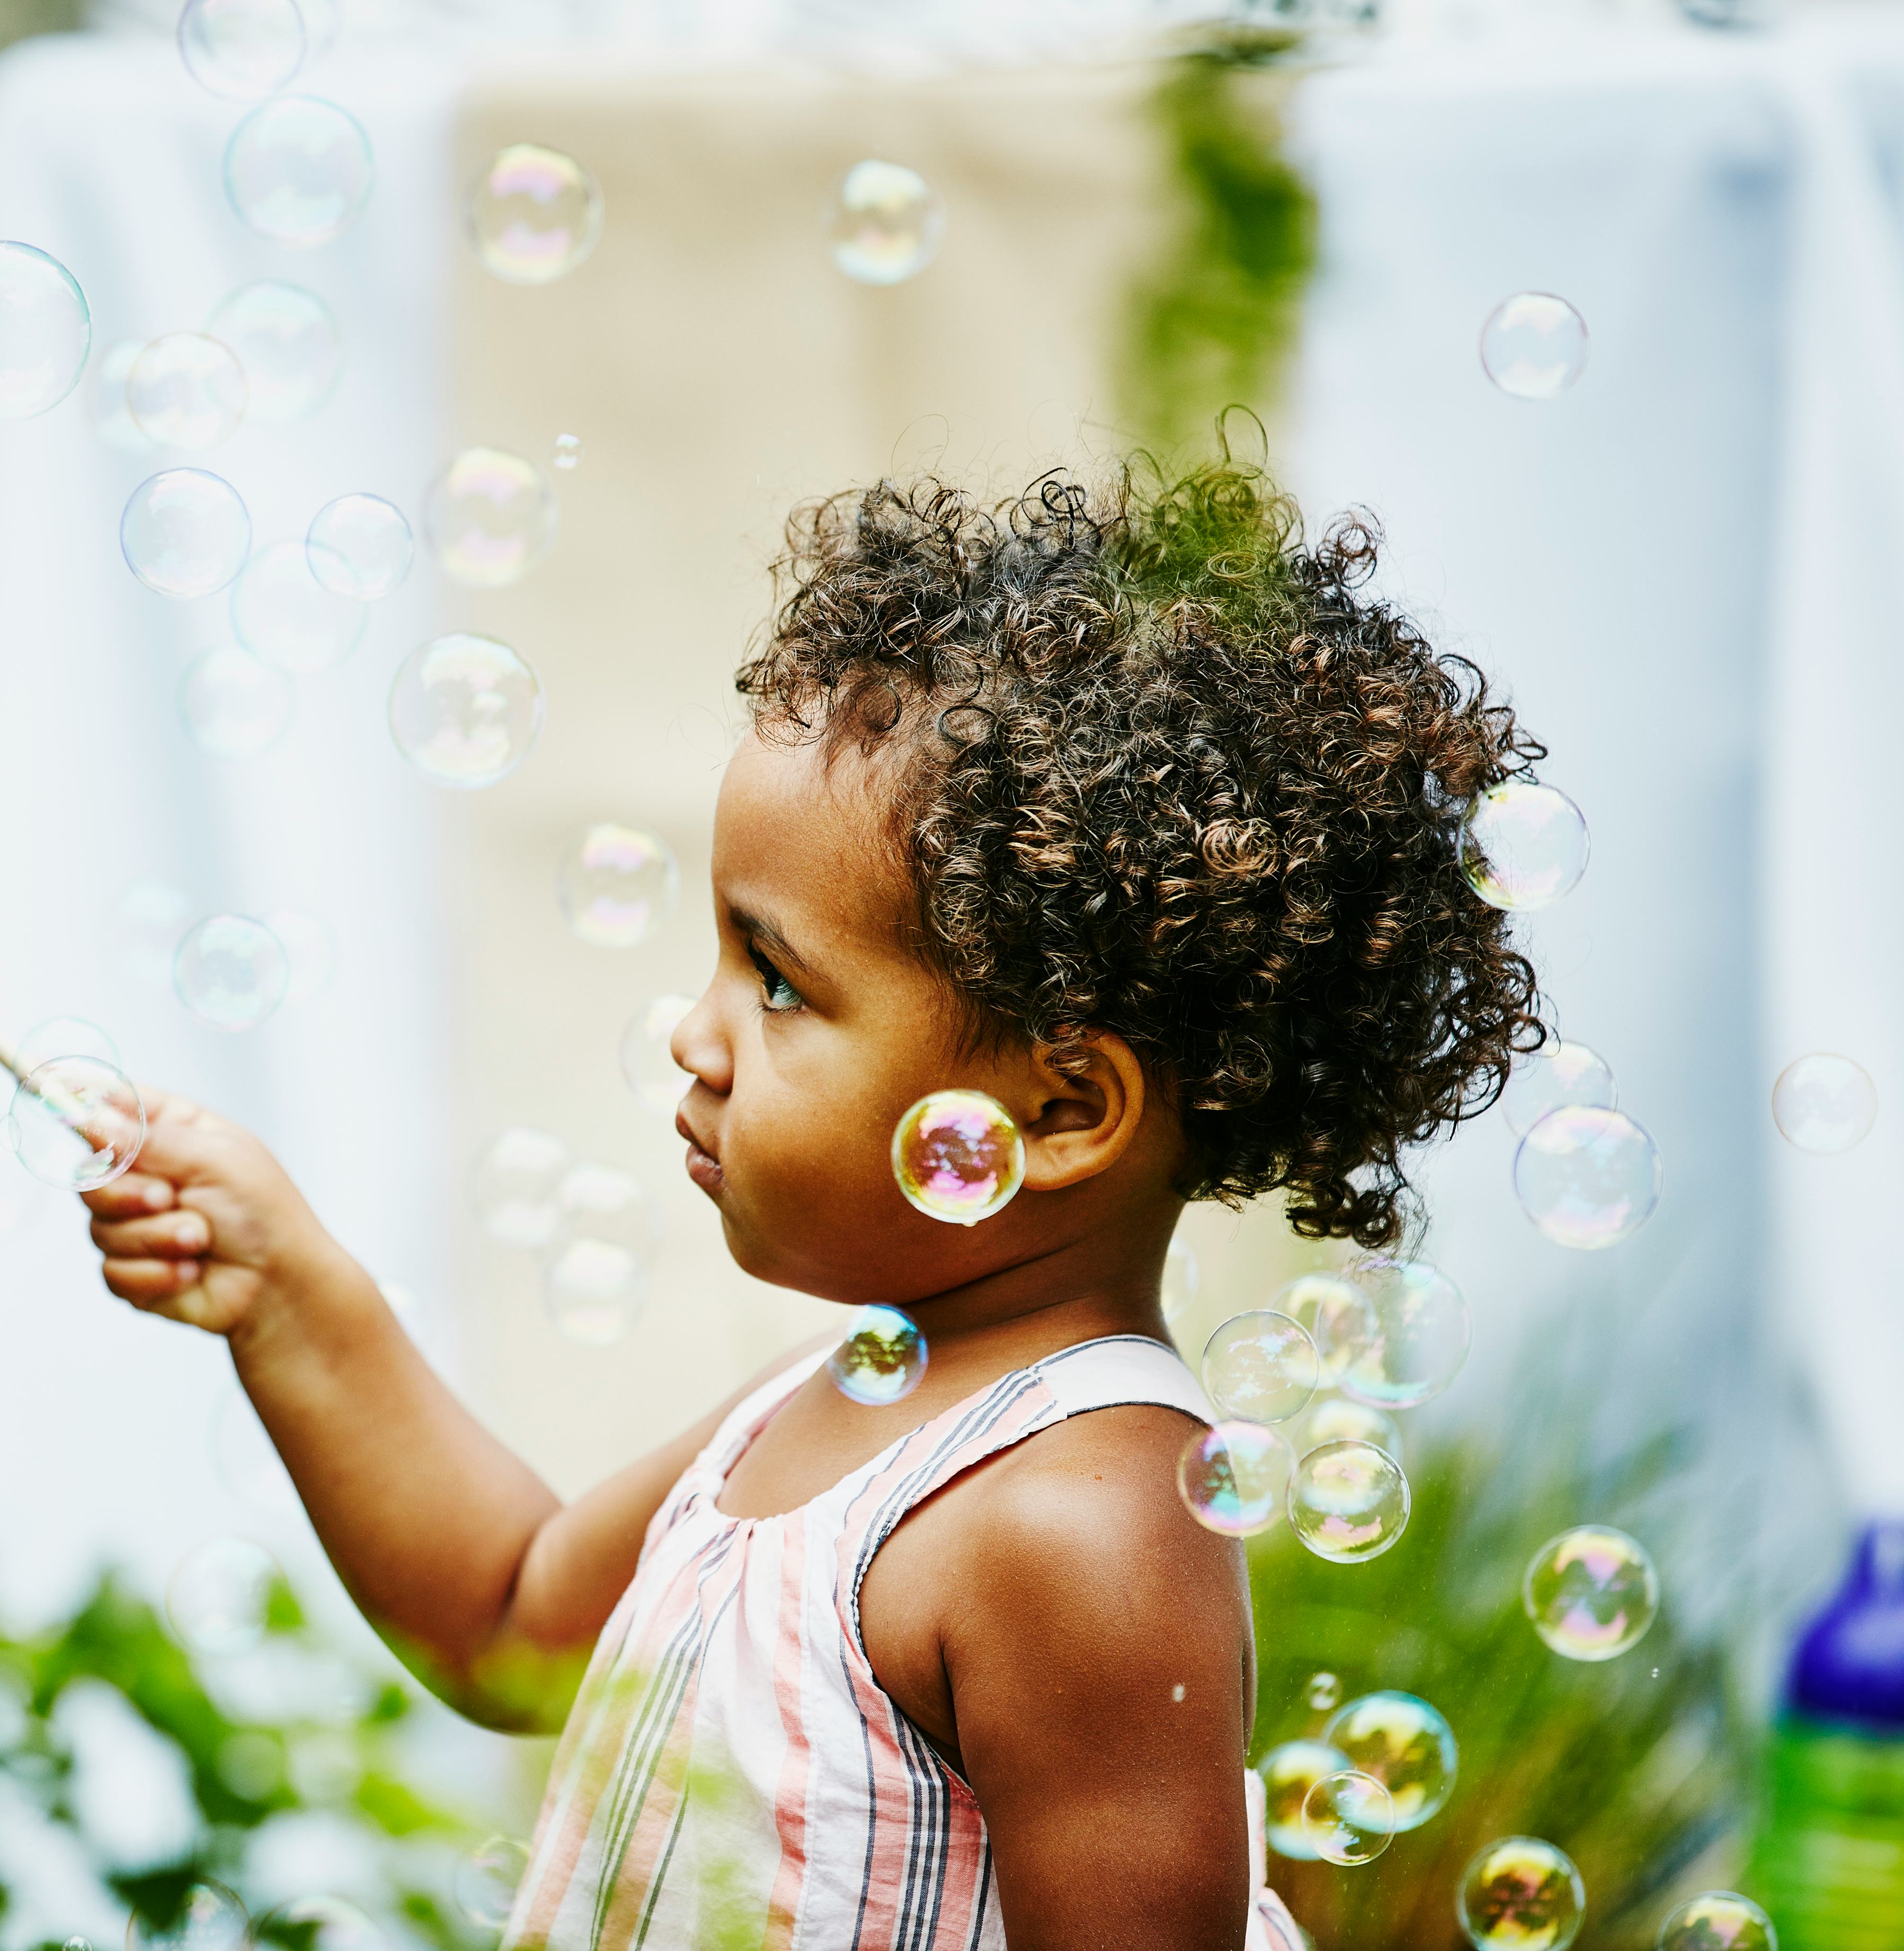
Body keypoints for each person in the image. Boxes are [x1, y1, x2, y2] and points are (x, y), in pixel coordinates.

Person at [79, 459, 1541, 1949]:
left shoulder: (1076, 1525)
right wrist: (281, 1286)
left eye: (775, 978)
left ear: (1053, 1110)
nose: (693, 1031)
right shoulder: (849, 1394)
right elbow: (509, 1622)